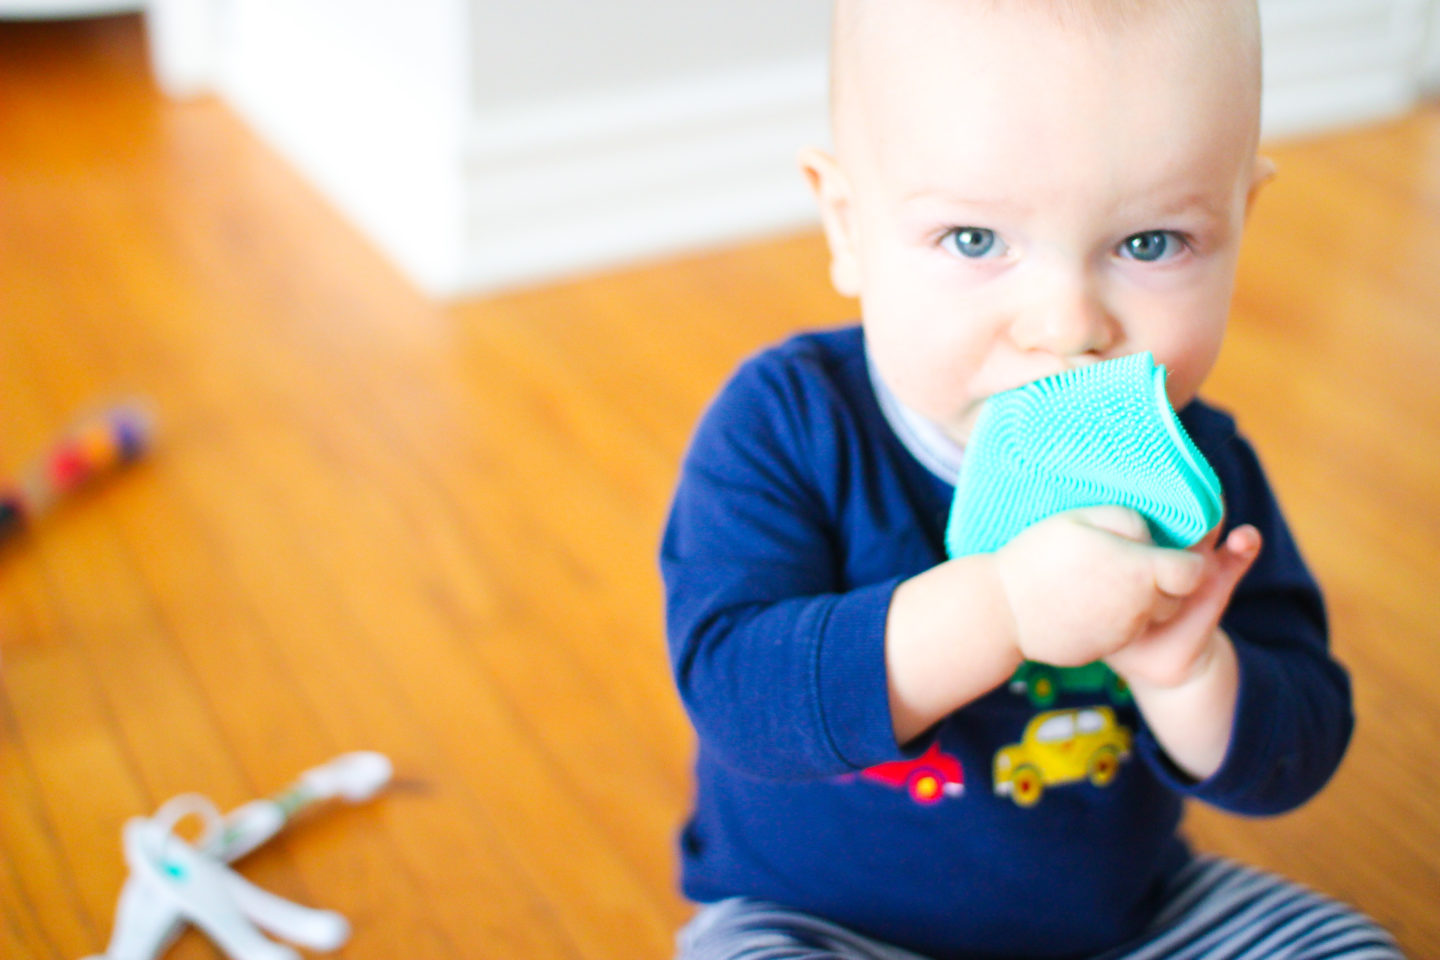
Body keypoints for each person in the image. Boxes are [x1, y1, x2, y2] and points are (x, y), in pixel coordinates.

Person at [659, 1, 1405, 958]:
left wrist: (1188, 672)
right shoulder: (790, 424)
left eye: (1150, 244)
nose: (1067, 326)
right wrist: (1003, 609)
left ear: (1236, 224)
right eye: (975, 240)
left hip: (1129, 920)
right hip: (818, 920)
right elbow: (740, 700)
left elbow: (1295, 753)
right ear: (848, 226)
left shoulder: (1194, 467)